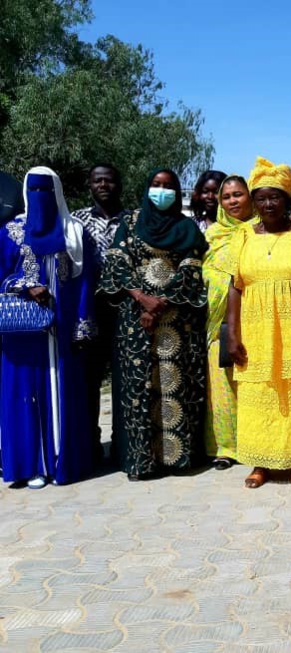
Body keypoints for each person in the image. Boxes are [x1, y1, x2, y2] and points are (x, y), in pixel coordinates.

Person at [225, 157, 291, 488]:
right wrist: (232, 335)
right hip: (256, 332)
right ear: (254, 201)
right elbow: (234, 287)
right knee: (261, 395)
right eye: (261, 197)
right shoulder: (243, 235)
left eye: (275, 197)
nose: (268, 203)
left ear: (287, 199)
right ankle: (260, 464)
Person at [99, 168, 207, 481]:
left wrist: (162, 302)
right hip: (135, 321)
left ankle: (177, 458)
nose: (162, 191)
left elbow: (192, 268)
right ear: (147, 189)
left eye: (169, 186)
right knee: (138, 388)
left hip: (176, 320)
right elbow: (117, 264)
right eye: (157, 185)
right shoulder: (130, 222)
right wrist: (142, 298)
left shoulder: (186, 226)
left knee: (176, 384)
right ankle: (141, 461)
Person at [0, 167, 97, 488]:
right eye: (34, 190)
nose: (40, 197)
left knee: (63, 392)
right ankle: (31, 466)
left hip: (63, 329)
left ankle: (63, 462)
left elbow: (86, 281)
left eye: (46, 190)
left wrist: (82, 326)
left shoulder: (73, 232)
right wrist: (24, 285)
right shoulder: (11, 232)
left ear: (56, 192)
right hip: (23, 333)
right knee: (24, 394)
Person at [70, 164, 133, 465]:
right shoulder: (76, 220)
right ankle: (91, 444)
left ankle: (123, 444)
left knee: (124, 380)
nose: (104, 185)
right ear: (89, 185)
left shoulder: (133, 220)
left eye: (109, 179)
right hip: (89, 311)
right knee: (90, 379)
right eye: (98, 180)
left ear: (118, 184)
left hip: (125, 311)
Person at [202, 175, 258, 471]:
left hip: (256, 317)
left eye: (238, 194)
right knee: (222, 385)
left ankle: (255, 443)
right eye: (227, 197)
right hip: (219, 322)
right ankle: (225, 446)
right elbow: (203, 274)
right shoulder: (212, 235)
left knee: (252, 384)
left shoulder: (262, 231)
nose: (233, 201)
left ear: (250, 196)